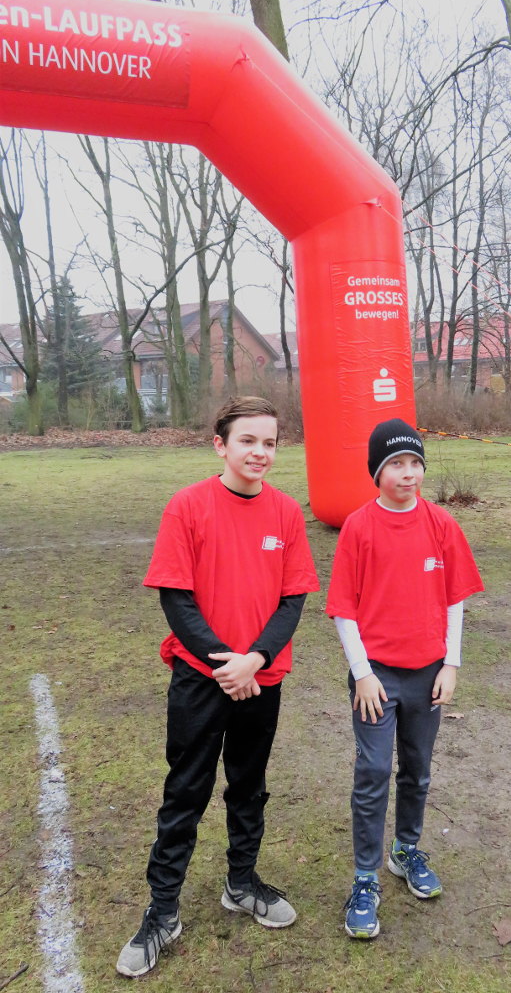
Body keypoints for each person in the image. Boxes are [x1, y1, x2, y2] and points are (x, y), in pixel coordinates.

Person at [116, 396, 319, 977]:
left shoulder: (286, 513)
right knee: (186, 790)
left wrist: (254, 660)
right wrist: (225, 665)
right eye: (247, 441)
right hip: (201, 680)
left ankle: (241, 882)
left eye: (269, 443)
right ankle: (163, 911)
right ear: (220, 445)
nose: (259, 453)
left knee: (249, 786)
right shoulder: (187, 506)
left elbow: (292, 600)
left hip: (261, 678)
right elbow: (175, 597)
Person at [325, 418, 483, 940]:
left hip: (428, 676)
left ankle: (406, 849)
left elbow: (454, 600)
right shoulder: (359, 527)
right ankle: (364, 878)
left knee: (416, 769)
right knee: (373, 771)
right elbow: (344, 609)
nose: (408, 473)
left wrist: (451, 664)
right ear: (377, 471)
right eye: (396, 464)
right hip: (376, 679)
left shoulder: (441, 524)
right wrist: (362, 674)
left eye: (416, 462)